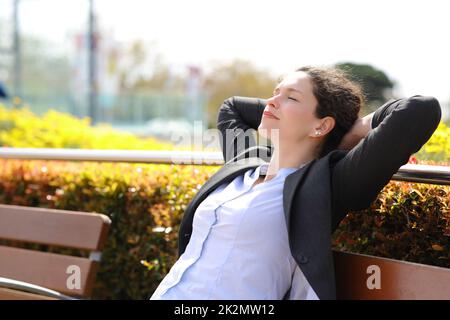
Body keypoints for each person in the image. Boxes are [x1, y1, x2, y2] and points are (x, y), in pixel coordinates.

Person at [150, 66, 442, 300]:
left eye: (291, 97)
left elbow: (420, 110)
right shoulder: (246, 162)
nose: (272, 101)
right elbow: (232, 109)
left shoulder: (326, 184)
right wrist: (290, 110)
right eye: (275, 93)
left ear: (322, 124)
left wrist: (349, 131)